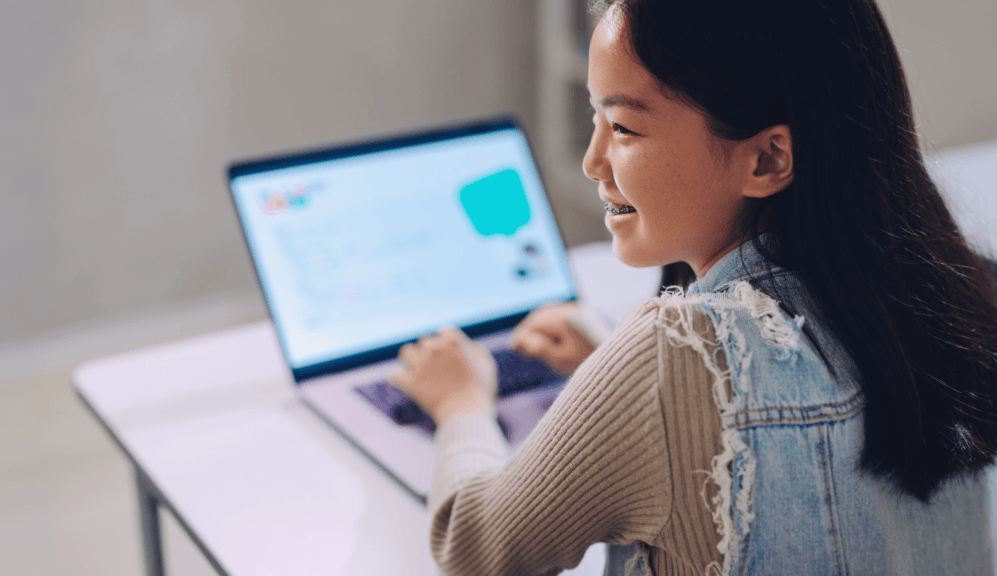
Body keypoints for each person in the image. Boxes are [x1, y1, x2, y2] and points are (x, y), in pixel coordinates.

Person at [389, 0, 997, 573]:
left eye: (623, 127)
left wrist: (460, 401)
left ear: (767, 160)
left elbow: (477, 547)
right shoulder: (951, 295)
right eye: (594, 117)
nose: (593, 160)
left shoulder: (671, 351)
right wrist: (606, 367)